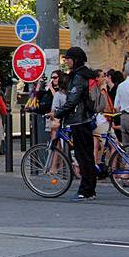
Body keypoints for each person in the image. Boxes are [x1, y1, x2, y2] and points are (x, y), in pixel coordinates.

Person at [53, 47, 98, 200]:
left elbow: (73, 100)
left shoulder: (79, 76)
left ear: (75, 60)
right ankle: (90, 188)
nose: (65, 61)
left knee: (82, 156)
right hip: (86, 118)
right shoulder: (84, 73)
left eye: (68, 58)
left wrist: (58, 113)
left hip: (79, 120)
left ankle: (86, 190)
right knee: (87, 155)